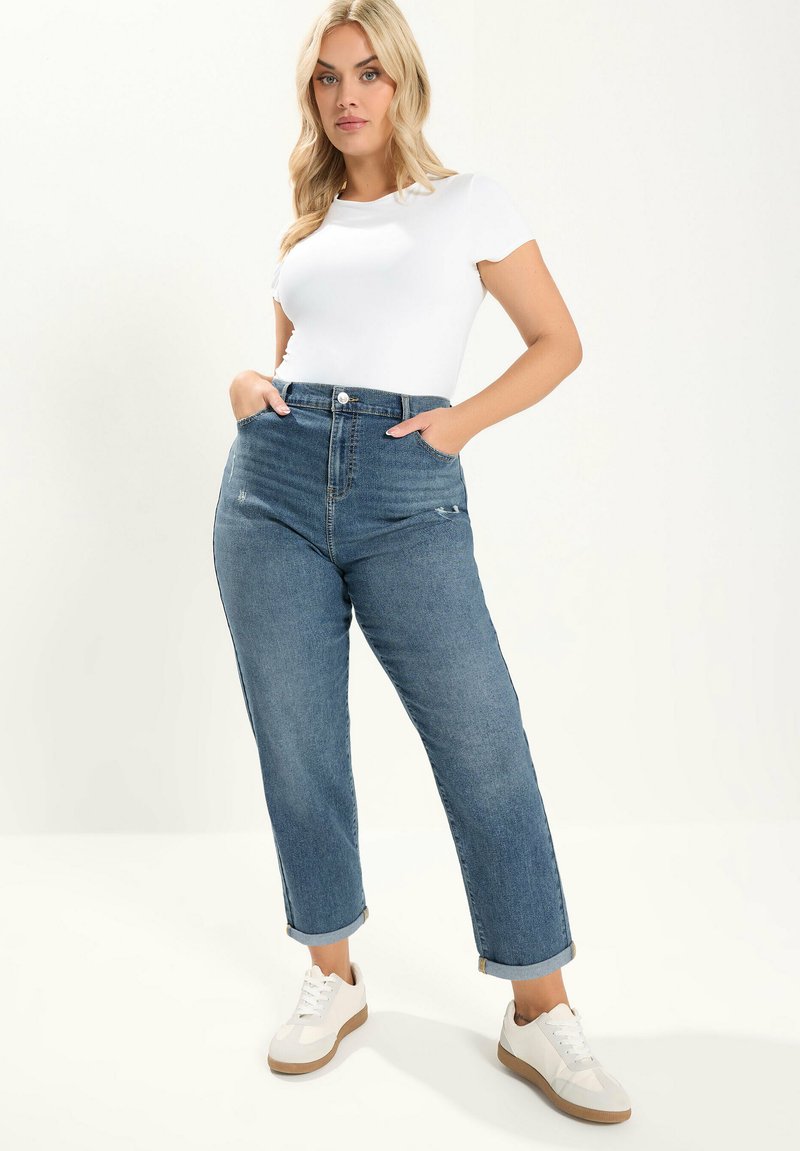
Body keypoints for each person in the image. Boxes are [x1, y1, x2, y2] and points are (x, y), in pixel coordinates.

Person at [212, 0, 632, 1124]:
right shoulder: (305, 230)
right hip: (270, 487)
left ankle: (538, 1006)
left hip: (408, 489)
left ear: (403, 82)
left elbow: (557, 341)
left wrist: (457, 427)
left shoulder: (467, 202)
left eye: (368, 73)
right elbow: (292, 362)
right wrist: (248, 388)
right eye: (327, 78)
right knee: (298, 742)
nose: (347, 96)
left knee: (483, 743)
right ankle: (332, 975)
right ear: (311, 97)